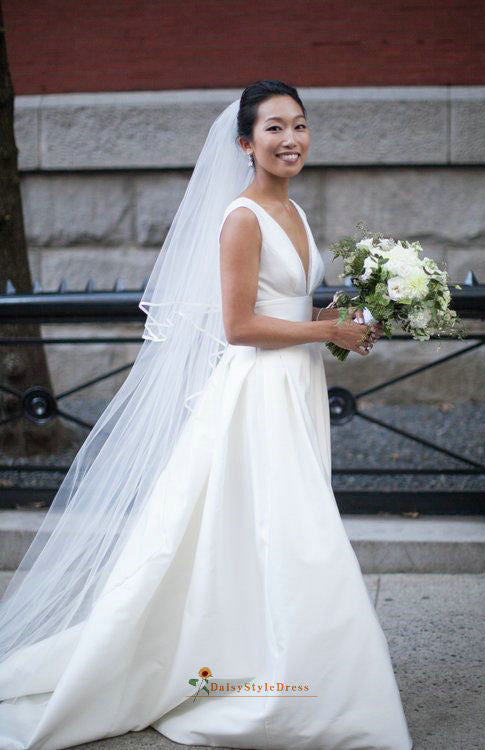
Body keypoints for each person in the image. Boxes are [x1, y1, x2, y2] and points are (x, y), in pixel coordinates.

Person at [0, 80, 413, 750]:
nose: (290, 140)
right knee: (297, 532)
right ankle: (317, 690)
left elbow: (289, 308)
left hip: (294, 386)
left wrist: (351, 319)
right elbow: (241, 324)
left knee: (267, 532)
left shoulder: (297, 215)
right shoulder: (241, 217)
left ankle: (265, 657)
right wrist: (324, 336)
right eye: (274, 128)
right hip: (256, 395)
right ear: (246, 143)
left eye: (300, 126)